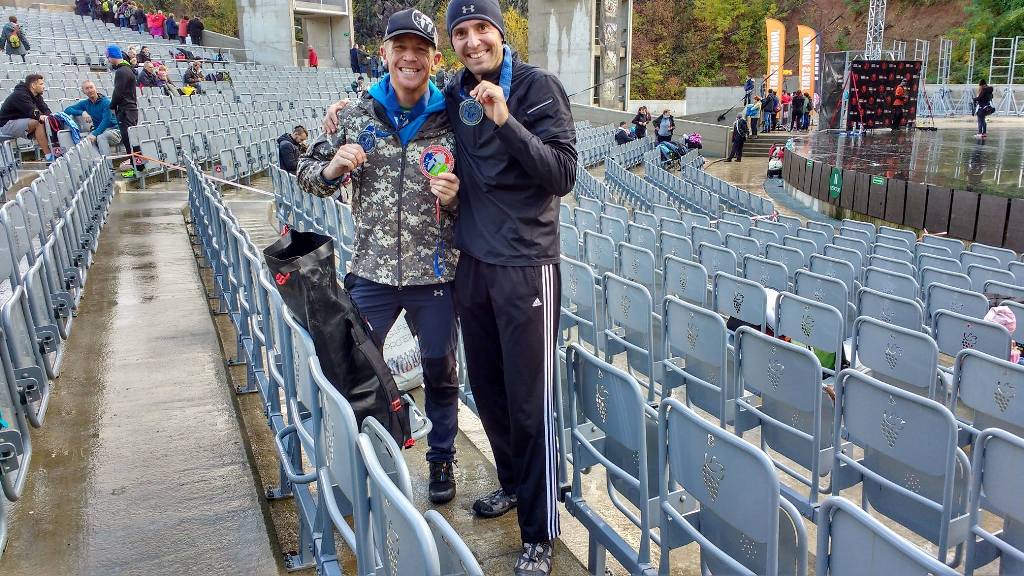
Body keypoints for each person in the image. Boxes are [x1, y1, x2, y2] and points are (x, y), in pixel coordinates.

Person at [298, 8, 463, 507]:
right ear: (385, 53)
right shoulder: (353, 115)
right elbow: (306, 171)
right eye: (400, 47)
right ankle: (366, 456)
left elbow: (482, 193)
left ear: (435, 59)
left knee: (440, 370)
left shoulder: (454, 119)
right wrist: (330, 170)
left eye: (420, 49)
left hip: (435, 273)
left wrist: (458, 199)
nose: (410, 57)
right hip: (371, 269)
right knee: (353, 366)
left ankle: (441, 457)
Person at [0, 73, 53, 161]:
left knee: (49, 122)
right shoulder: (20, 95)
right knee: (38, 122)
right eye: (41, 84)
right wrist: (42, 117)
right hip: (6, 125)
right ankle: (49, 156)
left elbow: (45, 109)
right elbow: (32, 111)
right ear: (33, 85)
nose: (44, 87)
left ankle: (55, 151)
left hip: (19, 122)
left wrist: (50, 117)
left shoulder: (37, 96)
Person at [64, 80, 122, 160]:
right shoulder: (85, 103)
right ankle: (98, 163)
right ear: (83, 91)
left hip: (114, 130)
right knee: (86, 141)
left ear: (95, 88)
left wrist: (94, 134)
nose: (90, 90)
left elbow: (106, 121)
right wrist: (82, 112)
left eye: (91, 87)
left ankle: (107, 165)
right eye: (87, 88)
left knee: (101, 137)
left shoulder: (106, 102)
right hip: (100, 131)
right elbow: (67, 110)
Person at [107, 45, 142, 174]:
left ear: (111, 56)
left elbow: (118, 92)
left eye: (108, 57)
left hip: (125, 110)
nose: (108, 60)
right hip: (131, 109)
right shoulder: (128, 69)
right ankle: (138, 166)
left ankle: (136, 168)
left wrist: (111, 106)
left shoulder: (121, 71)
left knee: (129, 141)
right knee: (132, 139)